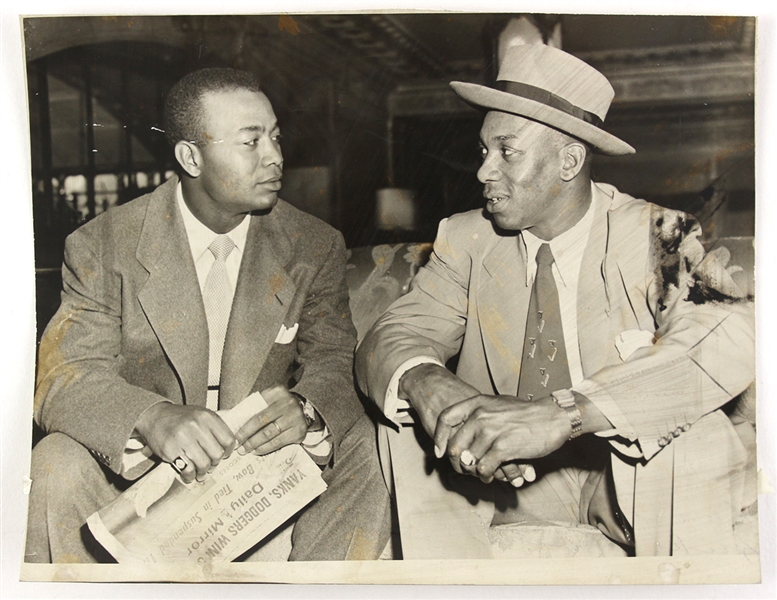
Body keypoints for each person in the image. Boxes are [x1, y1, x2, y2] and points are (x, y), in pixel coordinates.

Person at [356, 44, 755, 557]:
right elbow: (394, 333)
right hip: (510, 482)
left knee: (689, 432)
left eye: (507, 151)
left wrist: (563, 413)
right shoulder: (466, 238)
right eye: (483, 151)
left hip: (623, 472)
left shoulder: (657, 233)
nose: (483, 172)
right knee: (405, 417)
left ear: (569, 160)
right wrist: (426, 382)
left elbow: (727, 333)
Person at [26, 67, 390, 563]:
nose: (275, 157)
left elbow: (332, 359)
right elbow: (64, 376)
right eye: (251, 141)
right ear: (190, 157)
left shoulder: (313, 243)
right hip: (146, 473)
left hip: (263, 475)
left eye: (276, 137)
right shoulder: (103, 245)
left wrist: (307, 409)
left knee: (368, 444)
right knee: (54, 462)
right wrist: (151, 417)